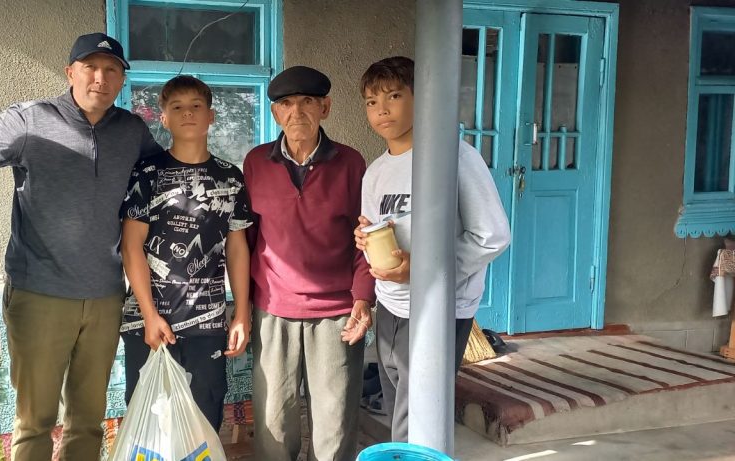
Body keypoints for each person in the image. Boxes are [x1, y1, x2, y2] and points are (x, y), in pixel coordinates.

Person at [0, 33, 163, 460]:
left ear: (121, 80)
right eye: (90, 67)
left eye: (112, 69)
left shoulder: (132, 132)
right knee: (35, 421)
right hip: (39, 293)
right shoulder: (30, 120)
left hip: (103, 295)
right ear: (70, 73)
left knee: (88, 420)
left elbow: (164, 182)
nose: (100, 78)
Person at [354, 56, 511, 442]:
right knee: (398, 408)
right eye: (372, 101)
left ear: (420, 98)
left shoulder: (455, 157)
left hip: (439, 306)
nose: (382, 110)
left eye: (394, 95)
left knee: (420, 414)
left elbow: (492, 235)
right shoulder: (376, 171)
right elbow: (379, 230)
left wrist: (421, 269)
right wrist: (366, 239)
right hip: (391, 303)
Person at [242, 65, 375, 461]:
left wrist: (363, 298)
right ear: (274, 114)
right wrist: (245, 308)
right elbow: (247, 238)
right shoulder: (256, 163)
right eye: (285, 104)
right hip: (272, 308)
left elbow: (365, 238)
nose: (296, 112)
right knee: (273, 423)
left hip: (337, 312)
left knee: (334, 423)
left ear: (326, 108)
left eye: (307, 102)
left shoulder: (352, 164)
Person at [119, 75, 253, 430]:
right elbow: (131, 247)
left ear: (211, 116)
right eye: (177, 107)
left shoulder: (231, 178)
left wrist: (241, 313)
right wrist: (149, 315)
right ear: (163, 118)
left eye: (196, 106)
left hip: (207, 322)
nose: (188, 113)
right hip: (147, 323)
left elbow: (237, 247)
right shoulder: (148, 174)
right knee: (150, 424)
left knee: (203, 419)